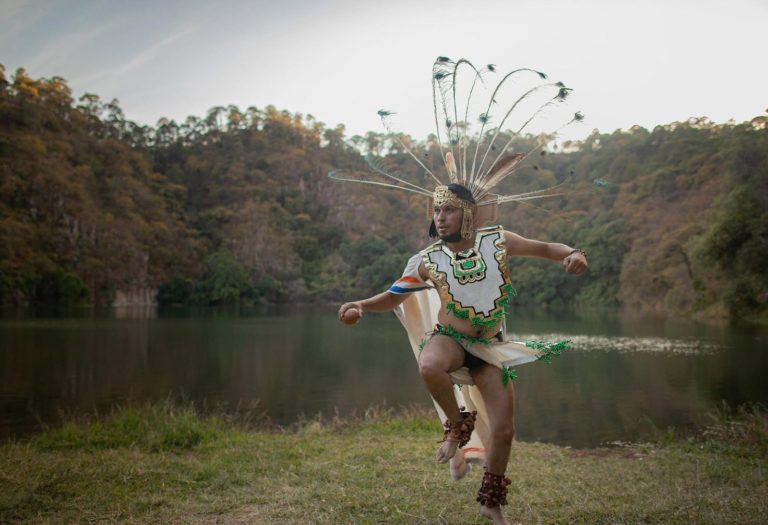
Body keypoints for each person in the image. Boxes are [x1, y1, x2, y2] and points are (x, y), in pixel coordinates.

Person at [338, 183, 587, 525]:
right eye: (436, 211)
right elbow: (393, 296)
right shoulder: (427, 260)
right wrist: (360, 305)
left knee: (504, 431)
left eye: (449, 210)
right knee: (429, 363)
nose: (440, 217)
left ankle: (491, 500)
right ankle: (458, 424)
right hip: (451, 339)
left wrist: (572, 253)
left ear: (468, 213)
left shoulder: (497, 241)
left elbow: (545, 247)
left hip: (490, 348)